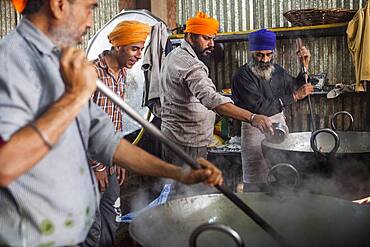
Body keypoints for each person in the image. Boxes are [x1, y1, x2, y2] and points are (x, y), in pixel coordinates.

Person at [0, 1, 223, 246]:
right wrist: (74, 97)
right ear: (59, 5)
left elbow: (106, 140)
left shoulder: (58, 63)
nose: (90, 22)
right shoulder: (11, 63)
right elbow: (5, 164)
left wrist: (179, 173)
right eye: (88, 8)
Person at [159, 12, 272, 191]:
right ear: (189, 36)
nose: (211, 44)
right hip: (187, 141)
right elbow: (211, 100)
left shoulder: (175, 55)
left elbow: (196, 94)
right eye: (206, 38)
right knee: (190, 195)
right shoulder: (189, 64)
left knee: (179, 190)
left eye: (213, 38)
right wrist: (252, 117)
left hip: (177, 137)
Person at [88, 20, 151, 246]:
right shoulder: (92, 73)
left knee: (112, 219)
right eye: (134, 48)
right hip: (88, 165)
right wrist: (98, 166)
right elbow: (79, 124)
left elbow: (116, 121)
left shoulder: (123, 73)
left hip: (111, 159)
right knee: (91, 227)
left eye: (140, 49)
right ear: (118, 46)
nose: (138, 55)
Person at [231, 29, 314, 191]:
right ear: (252, 52)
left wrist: (304, 66)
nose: (265, 59)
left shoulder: (277, 70)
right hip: (254, 129)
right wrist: (295, 96)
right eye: (260, 55)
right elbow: (258, 107)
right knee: (257, 179)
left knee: (282, 173)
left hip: (279, 128)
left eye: (269, 54)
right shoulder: (242, 76)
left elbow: (295, 86)